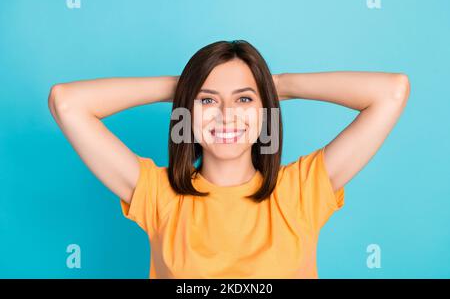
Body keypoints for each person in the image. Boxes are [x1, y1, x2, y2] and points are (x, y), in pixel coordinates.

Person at [48, 40, 410, 278]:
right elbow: (66, 102)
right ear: (187, 114)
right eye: (208, 100)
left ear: (265, 110)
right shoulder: (158, 195)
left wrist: (277, 84)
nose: (226, 114)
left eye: (244, 99)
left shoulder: (302, 191)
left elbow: (392, 92)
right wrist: (185, 87)